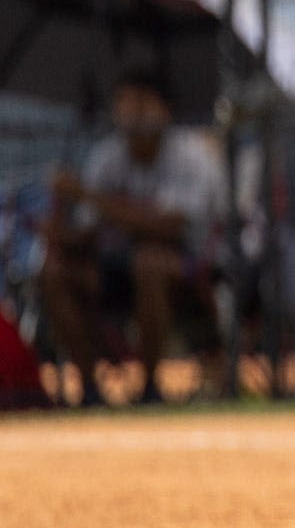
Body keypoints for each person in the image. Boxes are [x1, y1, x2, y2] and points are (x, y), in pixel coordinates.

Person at [39, 67, 227, 406]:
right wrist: (58, 231)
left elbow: (167, 227)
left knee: (149, 262)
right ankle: (89, 391)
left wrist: (88, 196)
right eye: (125, 105)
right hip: (114, 270)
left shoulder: (191, 156)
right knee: (54, 271)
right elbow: (89, 233)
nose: (133, 114)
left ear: (165, 109)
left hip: (188, 270)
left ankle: (150, 388)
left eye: (143, 104)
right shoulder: (106, 156)